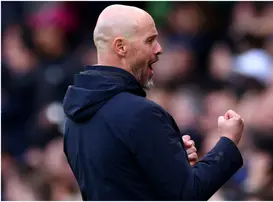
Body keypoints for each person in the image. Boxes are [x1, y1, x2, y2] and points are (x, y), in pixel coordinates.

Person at [62, 4, 245, 201]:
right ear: (121, 47)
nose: (159, 49)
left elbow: (124, 181)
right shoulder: (140, 113)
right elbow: (188, 194)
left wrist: (167, 156)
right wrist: (227, 143)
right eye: (150, 40)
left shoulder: (74, 119)